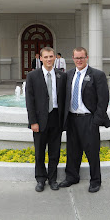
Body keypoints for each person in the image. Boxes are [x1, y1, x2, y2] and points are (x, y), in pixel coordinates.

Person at [59, 47, 110, 193]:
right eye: (76, 58)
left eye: (81, 58)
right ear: (73, 58)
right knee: (72, 151)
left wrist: (96, 120)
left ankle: (95, 180)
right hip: (72, 119)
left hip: (89, 119)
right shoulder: (68, 75)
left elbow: (103, 100)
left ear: (86, 57)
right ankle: (71, 177)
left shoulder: (97, 75)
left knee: (92, 152)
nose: (79, 61)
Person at [25, 47, 67, 192]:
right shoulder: (32, 76)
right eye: (46, 57)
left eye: (51, 56)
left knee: (55, 151)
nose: (49, 59)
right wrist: (33, 122)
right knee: (40, 152)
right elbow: (29, 101)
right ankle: (40, 179)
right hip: (40, 119)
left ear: (55, 57)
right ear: (40, 59)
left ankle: (53, 179)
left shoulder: (61, 75)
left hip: (56, 117)